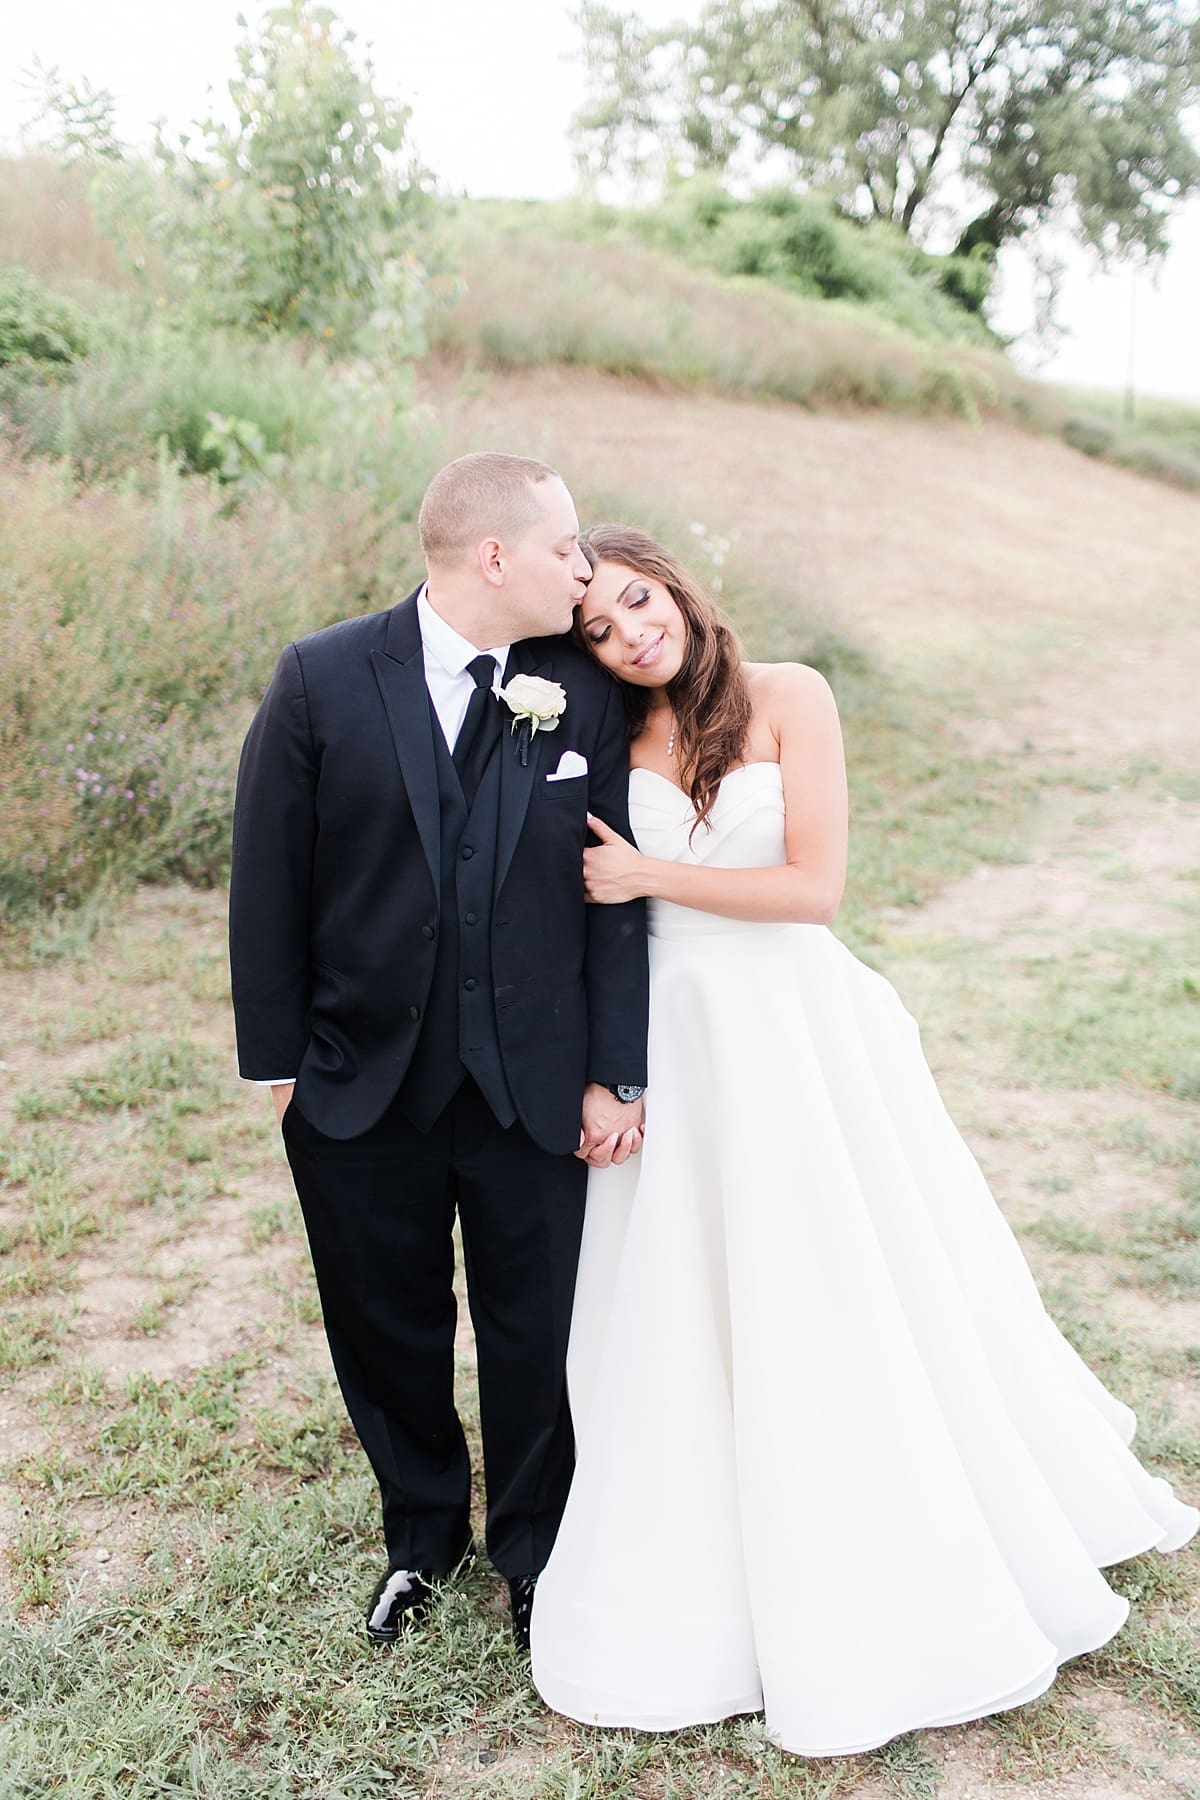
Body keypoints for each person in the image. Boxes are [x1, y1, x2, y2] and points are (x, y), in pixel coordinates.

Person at [529, 523, 1197, 1756]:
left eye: (637, 601)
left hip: (795, 1024)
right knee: (683, 1292)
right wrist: (597, 1067)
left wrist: (652, 880)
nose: (631, 634)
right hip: (675, 1039)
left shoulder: (789, 696)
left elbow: (813, 886)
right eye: (601, 630)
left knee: (844, 1269)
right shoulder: (601, 737)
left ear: (673, 582)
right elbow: (576, 917)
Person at [228, 457, 649, 1651]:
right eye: (568, 548)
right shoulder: (320, 678)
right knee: (383, 1322)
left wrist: (615, 1069)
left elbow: (615, 901)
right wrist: (280, 1066)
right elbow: (268, 876)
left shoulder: (581, 687)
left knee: (534, 1328)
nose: (587, 568)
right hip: (360, 1076)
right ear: (496, 558)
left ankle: (534, 1556)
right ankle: (421, 1538)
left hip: (534, 1077)